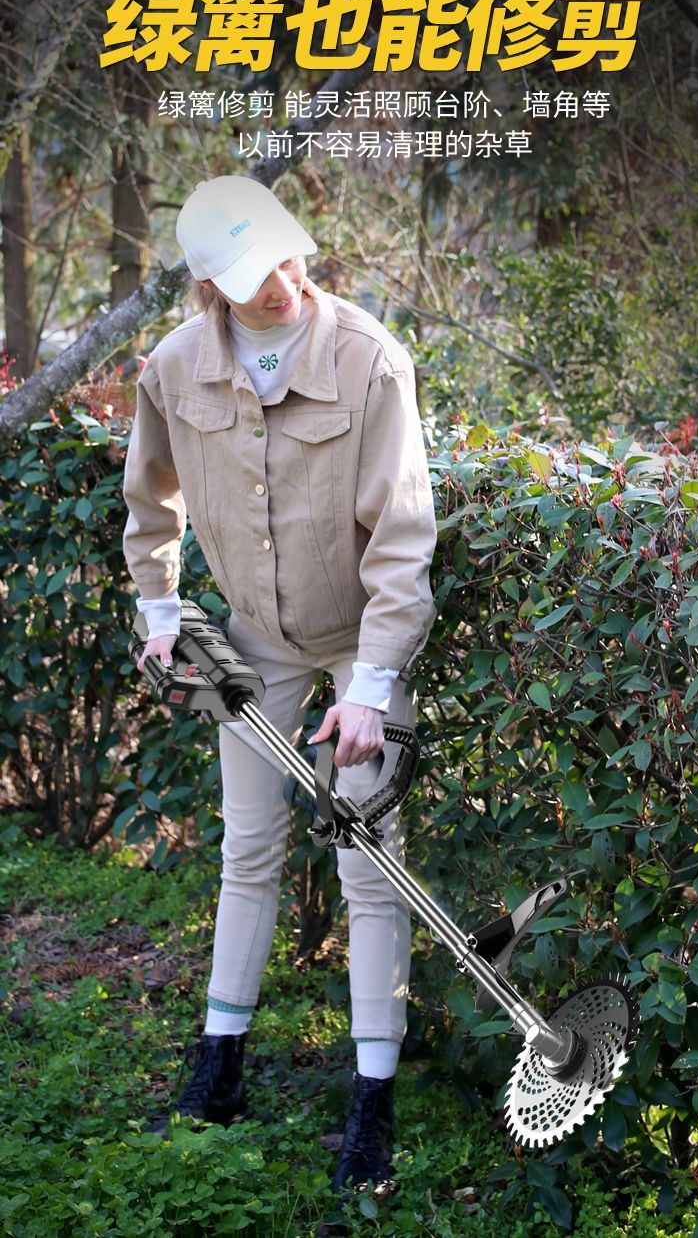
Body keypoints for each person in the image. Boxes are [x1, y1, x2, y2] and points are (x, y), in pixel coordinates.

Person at [122, 174, 437, 1192]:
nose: (283, 285)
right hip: (256, 642)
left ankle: (373, 1100)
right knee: (247, 849)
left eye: (289, 261)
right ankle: (219, 1065)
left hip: (358, 642)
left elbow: (402, 536)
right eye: (256, 275)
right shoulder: (175, 367)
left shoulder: (369, 360)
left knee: (367, 858)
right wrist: (162, 610)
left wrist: (371, 685)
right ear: (210, 283)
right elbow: (151, 500)